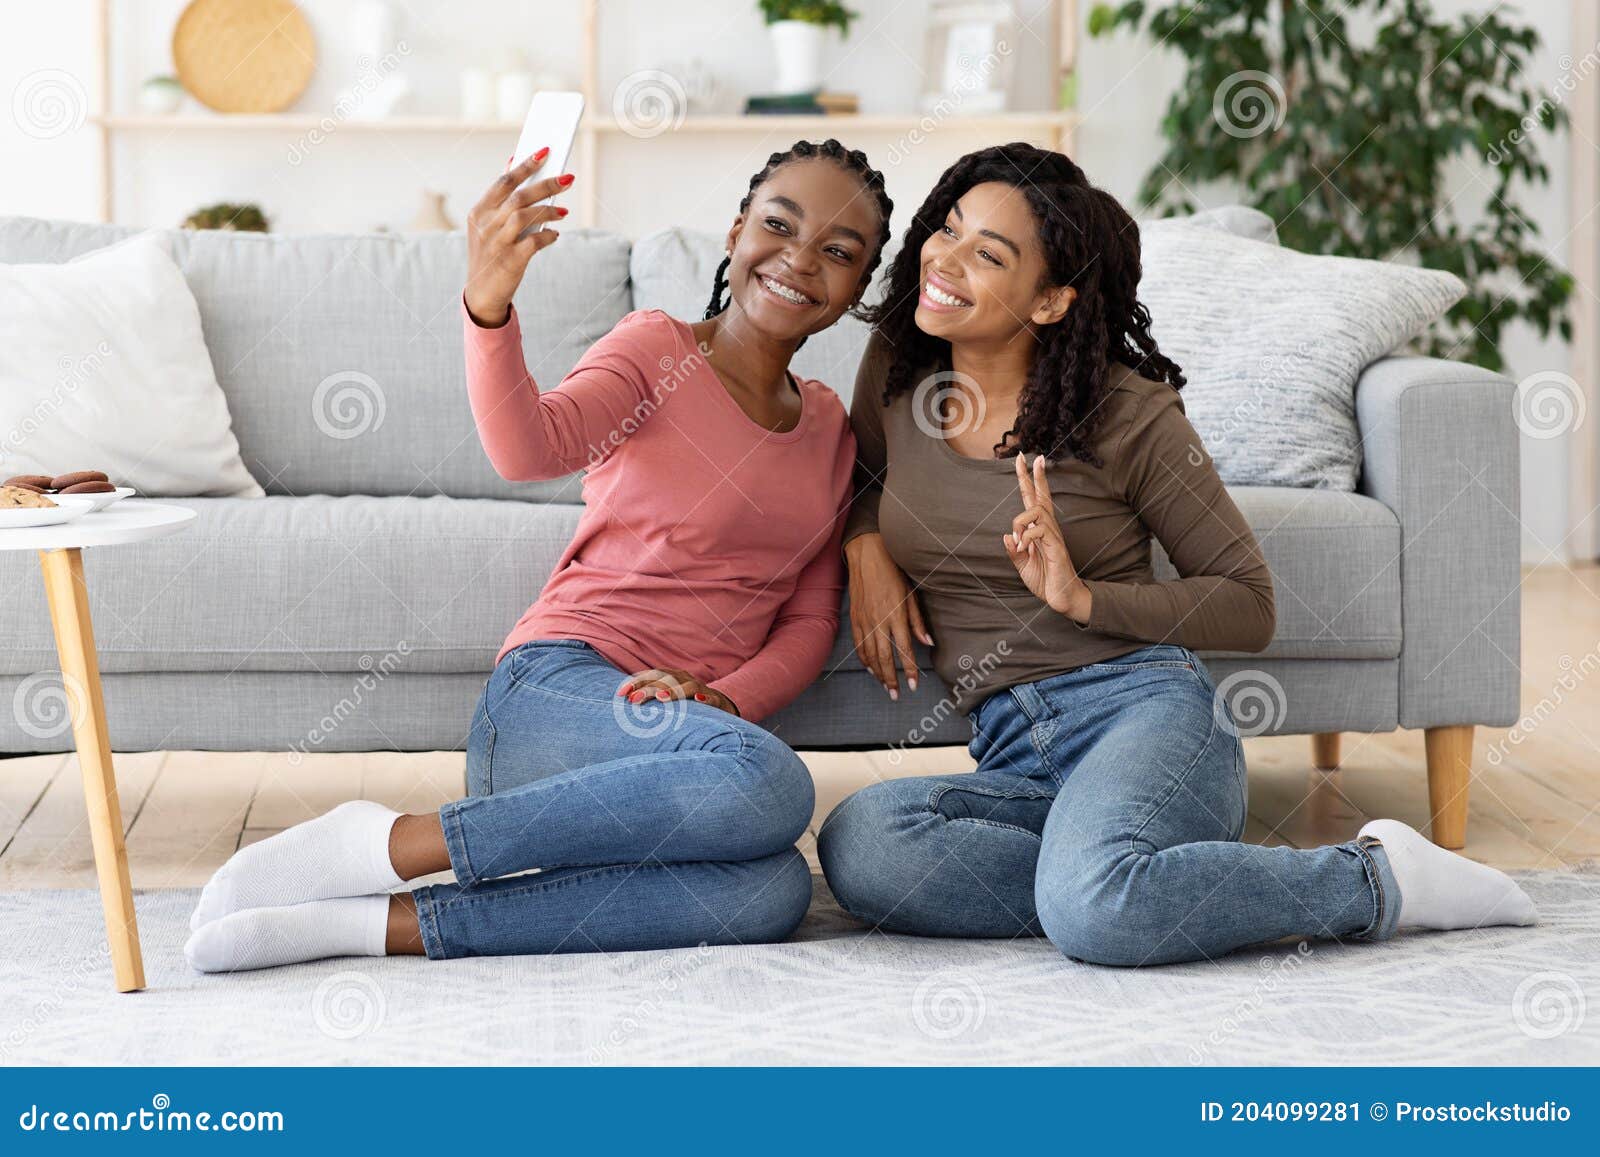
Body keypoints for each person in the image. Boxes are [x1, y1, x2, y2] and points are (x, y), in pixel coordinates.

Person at [817, 142, 1536, 967]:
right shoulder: (901, 367)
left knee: (1092, 912)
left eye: (988, 254)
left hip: (1144, 715)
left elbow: (1248, 600)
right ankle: (1124, 874)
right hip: (1014, 748)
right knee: (863, 844)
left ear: (1050, 300)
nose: (942, 260)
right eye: (947, 229)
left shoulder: (1126, 412)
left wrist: (1083, 597)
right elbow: (860, 477)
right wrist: (865, 541)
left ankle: (1374, 879)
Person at [185, 139, 894, 970]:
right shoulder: (655, 350)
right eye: (779, 224)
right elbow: (530, 447)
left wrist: (724, 701)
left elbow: (809, 620)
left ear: (855, 291)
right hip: (556, 692)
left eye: (839, 253)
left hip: (679, 752)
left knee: (770, 891)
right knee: (773, 784)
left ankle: (371, 926)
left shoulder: (829, 433)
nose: (800, 260)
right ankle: (391, 843)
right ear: (738, 233)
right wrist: (488, 304)